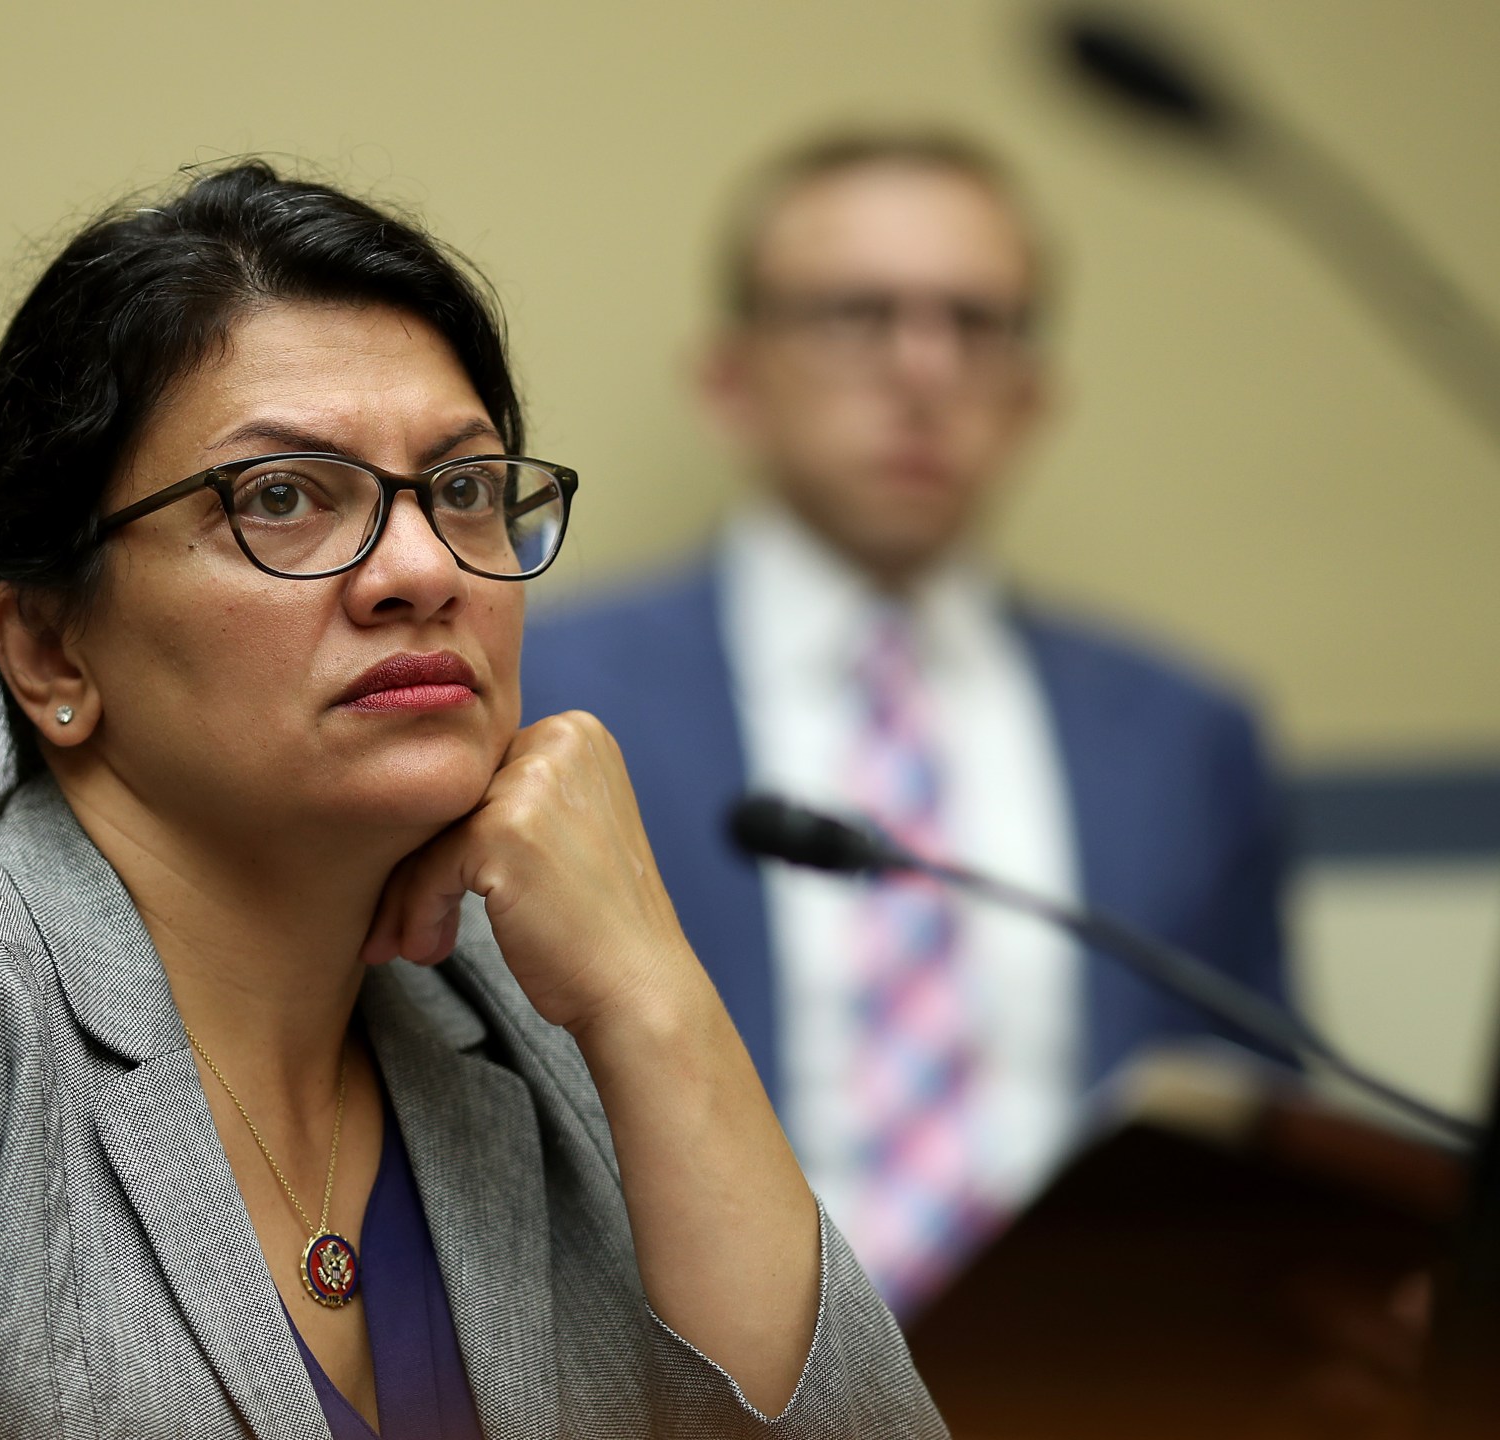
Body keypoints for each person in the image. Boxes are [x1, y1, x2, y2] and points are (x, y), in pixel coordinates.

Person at [0, 163, 947, 1438]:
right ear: (52, 649)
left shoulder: (537, 1011)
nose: (421, 567)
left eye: (463, 489)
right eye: (282, 496)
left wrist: (657, 997)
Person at [521, 129, 1289, 1317]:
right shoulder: (549, 694)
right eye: (854, 315)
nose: (922, 370)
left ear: (1033, 392)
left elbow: (1261, 1132)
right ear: (728, 377)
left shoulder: (1184, 734)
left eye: (976, 324)